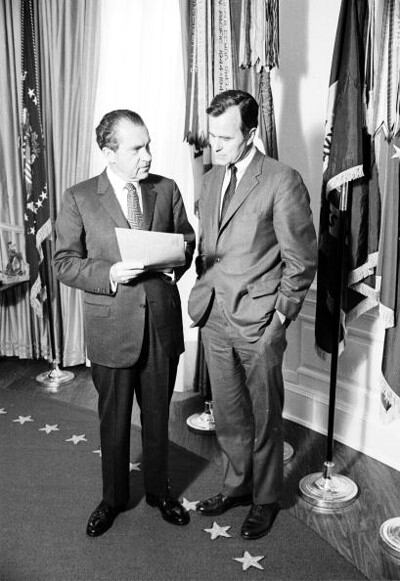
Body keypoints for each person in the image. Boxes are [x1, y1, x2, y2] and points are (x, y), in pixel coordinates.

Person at [54, 109, 195, 537]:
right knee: (113, 422)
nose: (148, 155)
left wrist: (174, 260)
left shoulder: (166, 189)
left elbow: (187, 240)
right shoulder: (79, 197)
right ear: (108, 152)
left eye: (148, 145)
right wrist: (111, 274)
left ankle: (159, 493)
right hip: (111, 329)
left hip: (161, 328)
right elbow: (64, 263)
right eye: (137, 148)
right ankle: (113, 499)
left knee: (157, 419)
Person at [188, 90, 317, 540]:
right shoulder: (210, 179)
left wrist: (279, 320)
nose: (215, 145)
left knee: (264, 417)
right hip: (214, 317)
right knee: (228, 415)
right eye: (212, 136)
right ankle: (236, 487)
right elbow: (212, 247)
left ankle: (265, 499)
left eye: (225, 137)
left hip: (261, 322)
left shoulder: (282, 180)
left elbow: (301, 260)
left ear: (251, 133)